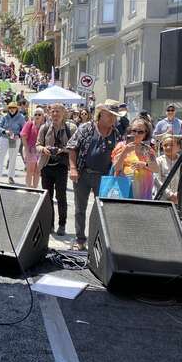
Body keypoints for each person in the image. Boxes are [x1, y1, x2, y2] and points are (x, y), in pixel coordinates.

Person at [66, 101, 122, 251]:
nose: (112, 119)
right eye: (109, 115)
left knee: (101, 210)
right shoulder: (86, 128)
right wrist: (72, 168)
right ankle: (80, 239)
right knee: (80, 209)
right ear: (101, 113)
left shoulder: (116, 134)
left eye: (114, 116)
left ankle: (98, 240)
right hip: (83, 173)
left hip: (104, 178)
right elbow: (72, 148)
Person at [36, 104, 75, 236]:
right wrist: (43, 149)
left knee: (61, 197)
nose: (55, 114)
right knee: (47, 198)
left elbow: (74, 147)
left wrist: (62, 150)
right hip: (46, 166)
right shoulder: (44, 127)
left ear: (64, 113)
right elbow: (37, 144)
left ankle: (62, 225)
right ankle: (50, 224)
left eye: (58, 111)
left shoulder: (71, 128)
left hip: (61, 167)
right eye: (53, 112)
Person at [111, 117, 159, 200]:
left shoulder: (147, 149)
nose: (136, 134)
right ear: (130, 131)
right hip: (125, 193)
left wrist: (144, 164)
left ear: (145, 134)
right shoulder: (121, 147)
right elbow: (116, 168)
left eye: (140, 132)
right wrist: (124, 152)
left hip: (144, 194)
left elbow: (156, 169)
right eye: (134, 131)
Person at [0, 101, 26, 184]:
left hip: (14, 139)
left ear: (16, 109)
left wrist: (18, 135)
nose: (12, 109)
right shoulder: (4, 117)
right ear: (8, 109)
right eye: (10, 108)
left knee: (12, 157)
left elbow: (24, 129)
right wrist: (4, 131)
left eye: (14, 108)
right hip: (4, 138)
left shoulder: (21, 117)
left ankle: (11, 176)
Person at [21, 106, 46, 187]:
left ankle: (35, 188)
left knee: (38, 171)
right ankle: (28, 187)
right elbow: (23, 137)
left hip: (41, 151)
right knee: (30, 171)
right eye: (36, 114)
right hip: (30, 150)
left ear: (43, 116)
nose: (37, 116)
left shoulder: (45, 126)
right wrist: (26, 150)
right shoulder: (29, 124)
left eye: (39, 114)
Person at [154, 134, 181, 202]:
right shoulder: (158, 161)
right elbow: (157, 180)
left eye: (171, 145)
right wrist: (170, 195)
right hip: (162, 199)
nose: (168, 147)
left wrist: (179, 194)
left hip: (179, 199)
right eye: (165, 145)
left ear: (178, 147)